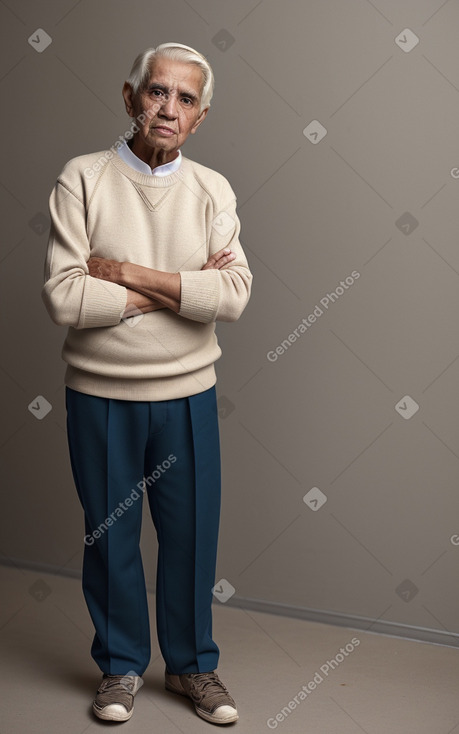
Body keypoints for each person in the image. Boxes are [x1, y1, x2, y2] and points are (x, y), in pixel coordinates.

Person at [41, 42, 253, 726]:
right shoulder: (83, 177)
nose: (169, 108)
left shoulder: (211, 189)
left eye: (185, 99)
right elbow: (65, 299)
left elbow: (235, 295)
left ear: (201, 116)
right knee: (111, 538)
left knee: (191, 537)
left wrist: (128, 276)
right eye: (157, 91)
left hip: (187, 396)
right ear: (129, 96)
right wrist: (187, 290)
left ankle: (192, 667)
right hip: (100, 395)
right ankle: (121, 668)